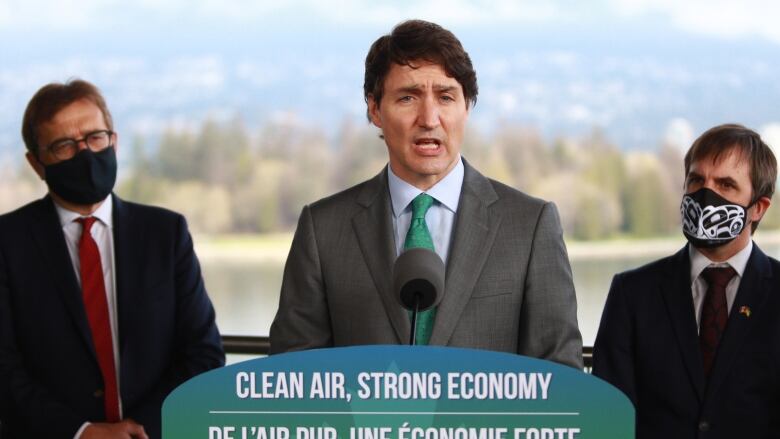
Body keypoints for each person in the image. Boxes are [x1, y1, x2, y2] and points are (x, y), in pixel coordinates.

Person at [269, 19, 582, 369]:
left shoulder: (530, 226)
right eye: (408, 97)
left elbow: (561, 383)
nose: (429, 118)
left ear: (467, 107)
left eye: (446, 97)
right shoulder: (323, 229)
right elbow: (290, 380)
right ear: (375, 109)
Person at [0, 79, 225, 438]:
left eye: (95, 137)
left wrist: (142, 425)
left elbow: (204, 353)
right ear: (36, 163)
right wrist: (83, 432)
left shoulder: (166, 234)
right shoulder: (8, 242)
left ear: (114, 141)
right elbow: (5, 371)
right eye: (64, 146)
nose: (85, 153)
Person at [593, 124, 779, 438]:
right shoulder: (632, 293)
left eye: (726, 184)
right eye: (696, 180)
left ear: (758, 208)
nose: (706, 195)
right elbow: (608, 415)